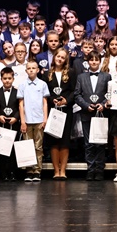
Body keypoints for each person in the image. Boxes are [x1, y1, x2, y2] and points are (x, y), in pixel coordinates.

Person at [74, 52, 111, 181]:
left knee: (100, 143)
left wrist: (103, 104)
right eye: (92, 60)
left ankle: (100, 169)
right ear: (88, 61)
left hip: (101, 114)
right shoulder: (81, 77)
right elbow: (77, 94)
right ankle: (90, 169)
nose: (94, 62)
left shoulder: (107, 76)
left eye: (96, 60)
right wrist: (85, 106)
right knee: (88, 143)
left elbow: (109, 93)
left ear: (100, 61)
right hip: (87, 113)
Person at [44, 48, 75, 180]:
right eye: (58, 56)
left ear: (65, 60)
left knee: (64, 141)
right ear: (54, 57)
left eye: (63, 57)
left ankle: (63, 171)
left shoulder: (71, 73)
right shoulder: (46, 74)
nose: (60, 59)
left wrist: (66, 100)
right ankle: (56, 171)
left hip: (66, 111)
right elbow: (45, 93)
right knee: (54, 141)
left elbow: (75, 91)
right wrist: (53, 100)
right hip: (52, 110)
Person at [18, 59, 49, 182]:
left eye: (33, 68)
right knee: (28, 145)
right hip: (27, 120)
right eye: (29, 68)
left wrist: (45, 118)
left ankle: (37, 170)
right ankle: (29, 170)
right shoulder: (22, 85)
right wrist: (22, 121)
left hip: (39, 119)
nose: (31, 70)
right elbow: (21, 104)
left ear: (38, 70)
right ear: (26, 71)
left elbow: (45, 103)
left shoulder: (42, 84)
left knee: (38, 146)